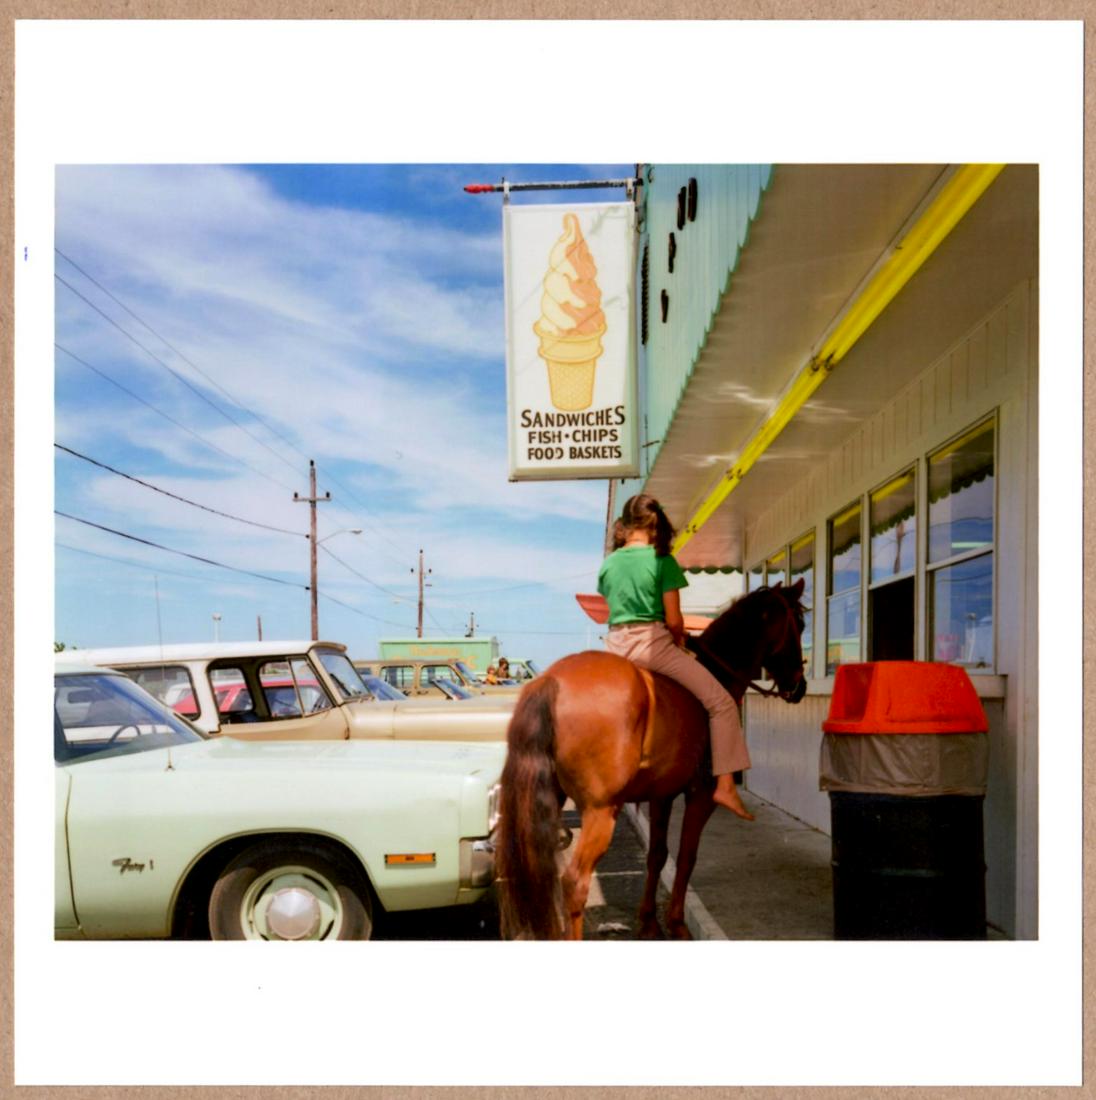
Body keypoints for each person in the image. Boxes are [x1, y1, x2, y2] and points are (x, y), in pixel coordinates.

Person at [596, 493, 754, 820]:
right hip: (651, 645)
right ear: (655, 527)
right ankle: (725, 785)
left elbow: (613, 605)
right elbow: (673, 621)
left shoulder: (609, 563)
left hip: (614, 648)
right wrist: (679, 640)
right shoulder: (662, 561)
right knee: (721, 702)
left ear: (626, 526)